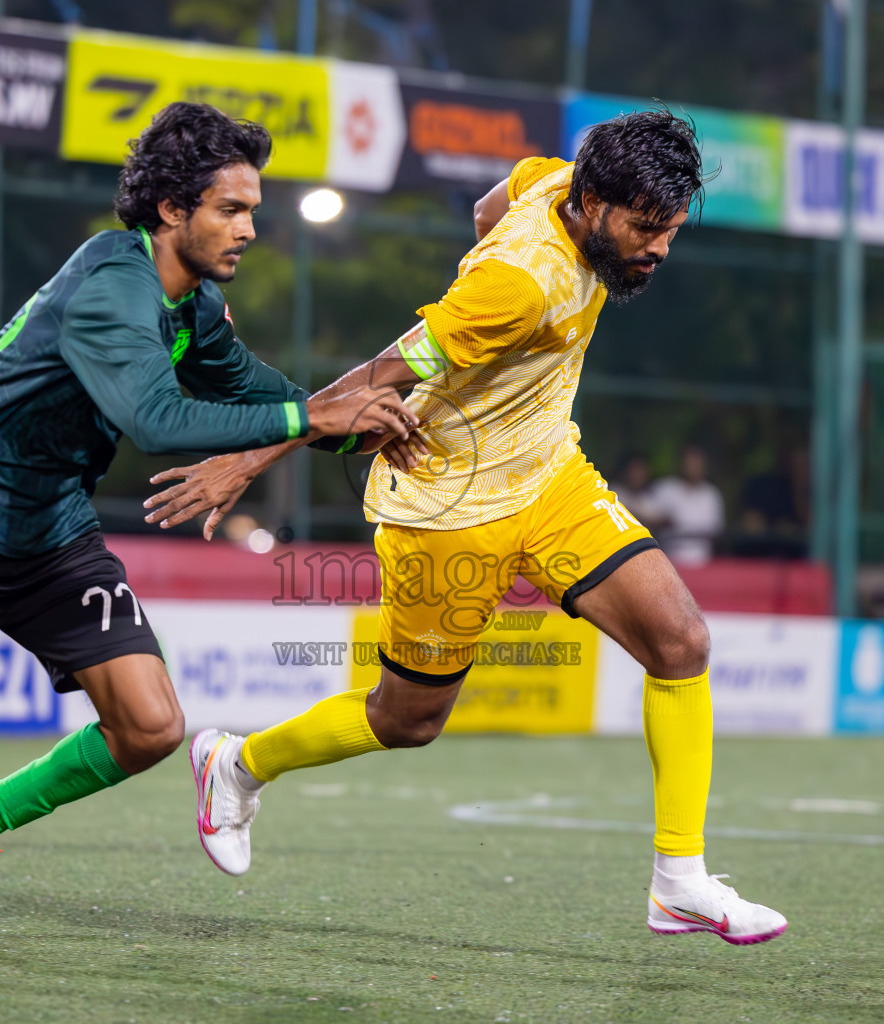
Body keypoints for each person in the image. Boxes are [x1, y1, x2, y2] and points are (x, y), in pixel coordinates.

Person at [0, 102, 413, 958]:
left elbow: (262, 395)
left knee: (150, 728)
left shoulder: (194, 307)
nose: (250, 228)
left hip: (51, 529)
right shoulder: (112, 280)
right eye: (232, 209)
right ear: (173, 209)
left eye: (254, 209)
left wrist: (364, 423)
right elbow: (155, 417)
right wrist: (313, 417)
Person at [147, 109, 786, 945]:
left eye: (669, 230)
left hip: (549, 474)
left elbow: (490, 206)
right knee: (407, 718)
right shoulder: (515, 287)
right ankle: (235, 764)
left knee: (681, 642)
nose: (659, 249)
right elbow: (379, 374)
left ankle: (679, 881)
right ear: (593, 202)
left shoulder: (555, 180)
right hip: (445, 506)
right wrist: (248, 457)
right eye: (645, 227)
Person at [649, 444, 724, 566]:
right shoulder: (666, 489)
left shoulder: (711, 494)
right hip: (669, 565)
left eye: (697, 461)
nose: (693, 466)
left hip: (703, 566)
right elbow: (644, 517)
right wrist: (661, 521)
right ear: (681, 463)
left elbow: (716, 534)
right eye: (689, 461)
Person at [611, 451, 659, 529]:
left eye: (641, 469)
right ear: (623, 471)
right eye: (633, 470)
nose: (637, 474)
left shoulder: (651, 494)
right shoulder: (614, 491)